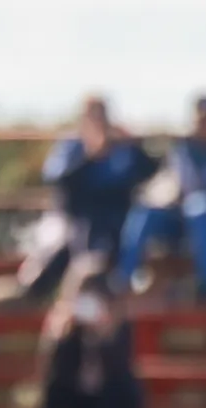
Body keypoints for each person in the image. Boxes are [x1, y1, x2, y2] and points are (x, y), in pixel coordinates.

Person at [117, 95, 206, 301]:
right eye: (200, 119)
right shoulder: (183, 149)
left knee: (201, 209)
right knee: (146, 211)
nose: (204, 124)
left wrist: (198, 203)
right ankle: (123, 282)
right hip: (188, 221)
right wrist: (160, 197)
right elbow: (176, 187)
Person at [25, 98, 160, 300]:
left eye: (101, 117)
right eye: (92, 117)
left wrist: (136, 145)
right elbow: (56, 179)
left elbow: (150, 171)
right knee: (53, 256)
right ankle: (36, 297)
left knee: (119, 252)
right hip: (73, 218)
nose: (98, 122)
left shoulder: (122, 147)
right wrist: (89, 156)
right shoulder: (71, 145)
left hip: (115, 221)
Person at [36, 263, 143, 408]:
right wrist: (62, 333)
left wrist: (105, 336)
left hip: (109, 400)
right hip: (78, 397)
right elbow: (54, 369)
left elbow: (121, 369)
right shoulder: (65, 326)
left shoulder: (120, 325)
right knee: (53, 388)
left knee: (115, 389)